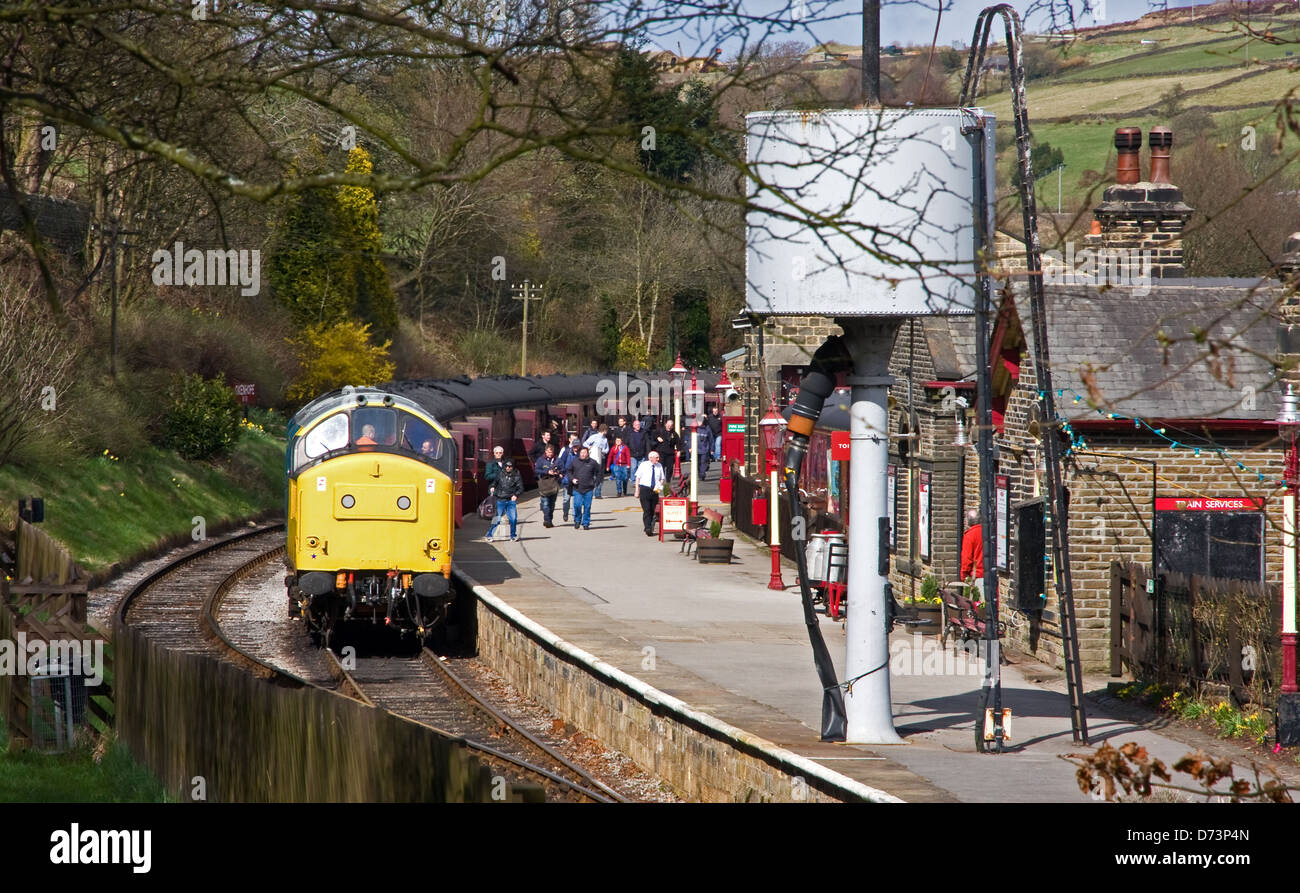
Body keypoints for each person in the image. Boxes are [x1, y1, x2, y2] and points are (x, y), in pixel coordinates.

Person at [486, 458, 523, 542]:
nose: (508, 468)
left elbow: (520, 488)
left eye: (510, 466)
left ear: (513, 467)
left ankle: (513, 535)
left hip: (511, 500)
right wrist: (492, 487)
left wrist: (516, 495)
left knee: (513, 519)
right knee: (497, 519)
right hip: (500, 499)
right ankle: (489, 534)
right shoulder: (500, 474)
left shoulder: (517, 476)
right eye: (506, 466)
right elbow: (494, 482)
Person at [567, 446, 601, 530]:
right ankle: (577, 520)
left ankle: (586, 523)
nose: (582, 454)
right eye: (581, 453)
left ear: (587, 453)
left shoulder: (593, 462)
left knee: (587, 507)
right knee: (577, 505)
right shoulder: (574, 462)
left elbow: (599, 472)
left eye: (584, 453)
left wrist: (596, 482)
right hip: (577, 488)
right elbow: (568, 471)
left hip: (589, 488)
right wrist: (572, 479)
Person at [635, 450, 665, 537]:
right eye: (657, 458)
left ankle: (649, 525)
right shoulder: (643, 465)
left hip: (655, 490)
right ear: (651, 458)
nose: (658, 459)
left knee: (652, 510)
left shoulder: (659, 466)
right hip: (645, 489)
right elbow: (638, 478)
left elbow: (662, 478)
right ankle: (648, 527)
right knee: (646, 509)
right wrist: (637, 490)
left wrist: (659, 485)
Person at [534, 444, 561, 528]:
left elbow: (563, 469)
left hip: (554, 484)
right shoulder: (540, 460)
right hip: (544, 485)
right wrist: (547, 472)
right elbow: (536, 470)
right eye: (548, 452)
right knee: (545, 504)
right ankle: (547, 520)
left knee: (552, 505)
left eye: (551, 452)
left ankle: (549, 520)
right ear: (545, 451)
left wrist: (558, 472)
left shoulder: (557, 460)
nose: (550, 454)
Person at [556, 434, 581, 523]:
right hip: (567, 478)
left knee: (576, 499)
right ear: (570, 440)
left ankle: (575, 517)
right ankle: (565, 512)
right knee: (566, 499)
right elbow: (559, 462)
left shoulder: (581, 452)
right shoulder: (566, 450)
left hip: (577, 479)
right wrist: (561, 472)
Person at [960, 508, 984, 598]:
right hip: (990, 575)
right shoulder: (987, 532)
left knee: (977, 605)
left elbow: (966, 558)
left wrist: (963, 575)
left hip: (977, 575)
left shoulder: (970, 535)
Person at [584, 423, 609, 498]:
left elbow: (607, 449)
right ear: (604, 430)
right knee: (593, 476)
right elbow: (585, 443)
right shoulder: (594, 437)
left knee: (600, 476)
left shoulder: (605, 439)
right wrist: (590, 447)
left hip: (602, 458)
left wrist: (603, 451)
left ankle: (598, 493)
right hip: (594, 459)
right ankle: (591, 492)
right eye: (606, 430)